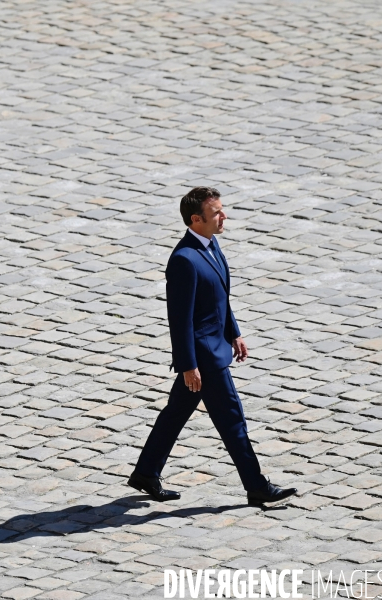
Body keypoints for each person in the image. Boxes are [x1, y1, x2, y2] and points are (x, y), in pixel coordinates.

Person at [128, 187, 297, 507]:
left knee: (175, 413)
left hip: (216, 346)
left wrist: (234, 332)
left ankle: (146, 472)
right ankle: (256, 485)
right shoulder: (184, 260)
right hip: (205, 359)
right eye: (216, 212)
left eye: (222, 210)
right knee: (233, 420)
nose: (224, 216)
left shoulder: (210, 245)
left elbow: (219, 297)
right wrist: (188, 366)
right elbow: (179, 320)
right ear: (196, 219)